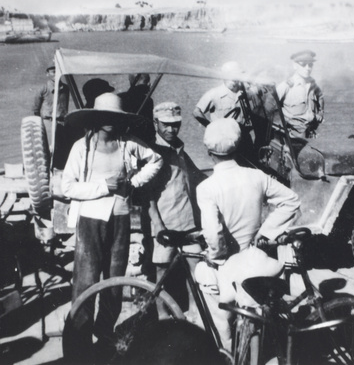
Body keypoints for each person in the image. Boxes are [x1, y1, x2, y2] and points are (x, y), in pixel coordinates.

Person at [61, 92, 163, 352]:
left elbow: (156, 160)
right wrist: (103, 186)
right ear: (96, 117)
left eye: (115, 117)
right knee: (85, 282)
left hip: (120, 217)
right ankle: (78, 343)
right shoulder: (81, 147)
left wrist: (133, 182)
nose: (110, 121)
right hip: (90, 219)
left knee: (115, 281)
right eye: (105, 116)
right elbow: (67, 187)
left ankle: (103, 330)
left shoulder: (127, 143)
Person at [195, 118, 300, 349]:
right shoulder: (256, 176)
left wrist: (215, 257)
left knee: (204, 279)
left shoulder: (207, 188)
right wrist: (265, 232)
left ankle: (225, 350)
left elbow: (213, 235)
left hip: (228, 266)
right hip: (254, 258)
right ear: (238, 144)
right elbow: (291, 201)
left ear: (208, 151)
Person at [147, 102, 205, 320]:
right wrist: (158, 225)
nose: (171, 130)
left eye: (176, 125)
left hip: (188, 221)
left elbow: (193, 175)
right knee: (161, 270)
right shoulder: (152, 152)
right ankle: (162, 314)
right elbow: (148, 195)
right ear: (155, 123)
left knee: (196, 267)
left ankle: (195, 311)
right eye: (166, 125)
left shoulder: (179, 149)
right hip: (165, 221)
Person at [276, 50, 325, 139]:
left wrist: (320, 115)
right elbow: (270, 110)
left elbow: (320, 99)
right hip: (292, 137)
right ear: (295, 66)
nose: (307, 68)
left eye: (310, 65)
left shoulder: (314, 86)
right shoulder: (286, 86)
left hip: (310, 135)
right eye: (303, 64)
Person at [193, 61, 249, 127]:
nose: (234, 79)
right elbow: (196, 112)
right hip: (223, 135)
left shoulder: (246, 93)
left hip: (243, 134)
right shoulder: (214, 93)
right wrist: (210, 127)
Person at [33, 65, 70, 147]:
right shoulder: (43, 88)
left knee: (64, 147)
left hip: (62, 122)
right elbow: (36, 109)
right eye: (53, 72)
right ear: (47, 74)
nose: (56, 74)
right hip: (48, 122)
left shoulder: (66, 88)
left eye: (58, 71)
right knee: (51, 147)